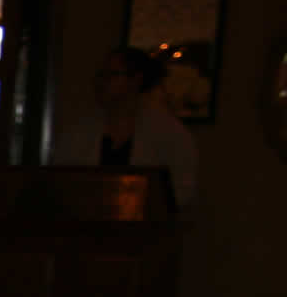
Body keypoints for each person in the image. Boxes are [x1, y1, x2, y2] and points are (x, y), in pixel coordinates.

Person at [52, 46, 198, 209]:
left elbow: (180, 190)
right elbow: (61, 181)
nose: (101, 82)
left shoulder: (169, 133)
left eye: (112, 75)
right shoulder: (79, 130)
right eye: (101, 75)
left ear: (136, 80)